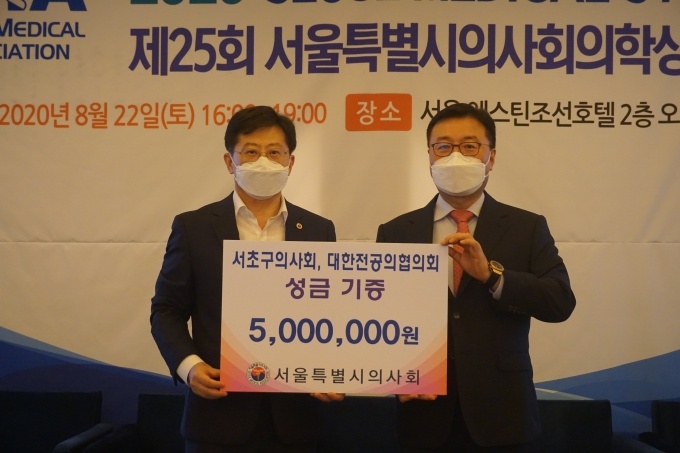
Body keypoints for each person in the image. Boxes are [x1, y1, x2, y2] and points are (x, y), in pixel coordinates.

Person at [376, 103, 576, 452]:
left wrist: (491, 276)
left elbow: (559, 301)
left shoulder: (526, 227)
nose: (456, 156)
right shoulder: (396, 231)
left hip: (503, 414)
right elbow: (379, 317)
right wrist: (394, 375)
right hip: (422, 415)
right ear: (429, 155)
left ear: (491, 157)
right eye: (443, 146)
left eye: (469, 146)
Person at [151, 105, 343, 453]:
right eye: (251, 152)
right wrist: (189, 367)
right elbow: (166, 310)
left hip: (296, 420)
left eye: (274, 153)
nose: (263, 162)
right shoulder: (194, 228)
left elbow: (331, 315)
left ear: (290, 162)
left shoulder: (318, 230)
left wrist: (334, 371)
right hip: (217, 418)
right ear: (230, 161)